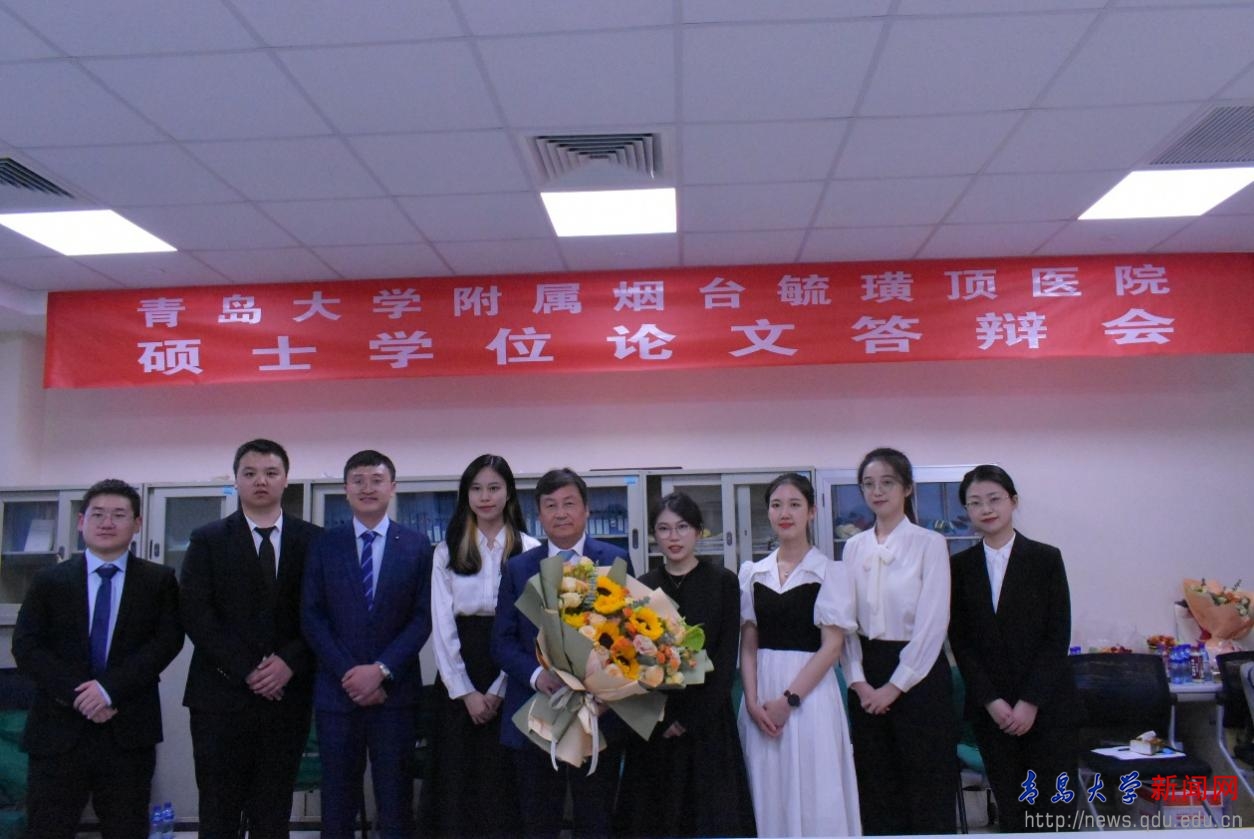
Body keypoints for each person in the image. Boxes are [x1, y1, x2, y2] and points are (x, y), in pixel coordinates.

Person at [12, 479, 183, 839]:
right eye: (98, 514)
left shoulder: (158, 581)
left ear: (137, 524)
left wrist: (107, 690)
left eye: (119, 515)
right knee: (47, 829)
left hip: (127, 730)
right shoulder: (49, 581)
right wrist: (80, 695)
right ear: (81, 522)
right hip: (57, 731)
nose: (107, 523)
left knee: (126, 829)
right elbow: (26, 646)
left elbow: (166, 643)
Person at [180, 439, 323, 838]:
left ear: (285, 480)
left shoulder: (313, 540)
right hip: (220, 696)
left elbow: (320, 612)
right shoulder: (207, 539)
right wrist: (248, 669)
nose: (261, 481)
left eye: (271, 473)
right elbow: (196, 614)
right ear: (236, 480)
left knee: (272, 809)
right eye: (250, 473)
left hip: (287, 696)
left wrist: (289, 662)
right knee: (218, 808)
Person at [490, 467, 629, 839]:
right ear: (539, 514)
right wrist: (539, 677)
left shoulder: (616, 560)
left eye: (569, 503)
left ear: (586, 510)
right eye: (550, 505)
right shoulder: (519, 568)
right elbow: (502, 642)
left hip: (598, 714)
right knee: (538, 821)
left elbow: (628, 635)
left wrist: (604, 686)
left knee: (596, 819)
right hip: (537, 710)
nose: (561, 513)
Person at [301, 450, 433, 839]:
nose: (367, 488)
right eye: (358, 480)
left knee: (395, 803)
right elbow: (312, 616)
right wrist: (350, 673)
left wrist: (381, 671)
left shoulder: (417, 545)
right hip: (337, 694)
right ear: (346, 490)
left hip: (395, 695)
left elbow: (423, 617)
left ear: (392, 487)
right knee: (337, 804)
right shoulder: (324, 545)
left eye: (377, 480)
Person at [616, 491, 756, 838]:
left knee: (709, 819)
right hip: (654, 724)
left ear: (698, 531)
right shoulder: (643, 585)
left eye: (682, 527)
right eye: (664, 529)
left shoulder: (723, 581)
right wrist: (662, 717)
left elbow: (725, 660)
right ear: (654, 535)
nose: (673, 537)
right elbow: (632, 661)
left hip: (707, 724)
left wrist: (688, 720)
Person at [949, 465, 1077, 833]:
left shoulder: (1045, 559)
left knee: (1054, 811)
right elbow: (961, 641)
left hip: (1046, 707)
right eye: (975, 502)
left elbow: (1057, 636)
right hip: (993, 713)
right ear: (967, 510)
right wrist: (992, 701)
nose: (986, 509)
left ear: (1013, 501)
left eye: (994, 499)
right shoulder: (959, 567)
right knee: (1012, 810)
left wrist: (1029, 702)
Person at [420, 454, 538, 837]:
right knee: (456, 779)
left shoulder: (530, 549)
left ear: (509, 494)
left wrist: (500, 689)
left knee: (505, 780)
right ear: (465, 495)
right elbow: (442, 627)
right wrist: (466, 691)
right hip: (459, 675)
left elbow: (531, 630)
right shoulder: (447, 550)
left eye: (494, 488)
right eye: (476, 489)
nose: (485, 497)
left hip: (514, 670)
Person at [737, 473, 859, 837]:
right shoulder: (752, 573)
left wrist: (788, 700)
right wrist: (753, 701)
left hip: (810, 696)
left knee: (813, 785)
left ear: (812, 511)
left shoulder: (830, 572)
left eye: (794, 504)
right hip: (761, 693)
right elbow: (748, 644)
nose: (784, 513)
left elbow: (832, 647)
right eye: (776, 505)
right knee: (766, 786)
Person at [842, 447, 957, 835]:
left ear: (907, 488)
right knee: (875, 786)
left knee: (926, 788)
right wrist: (858, 681)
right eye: (868, 484)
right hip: (867, 675)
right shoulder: (853, 547)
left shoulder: (929, 543)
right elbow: (845, 622)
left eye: (887, 482)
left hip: (919, 676)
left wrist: (894, 687)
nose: (877, 491)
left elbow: (933, 624)